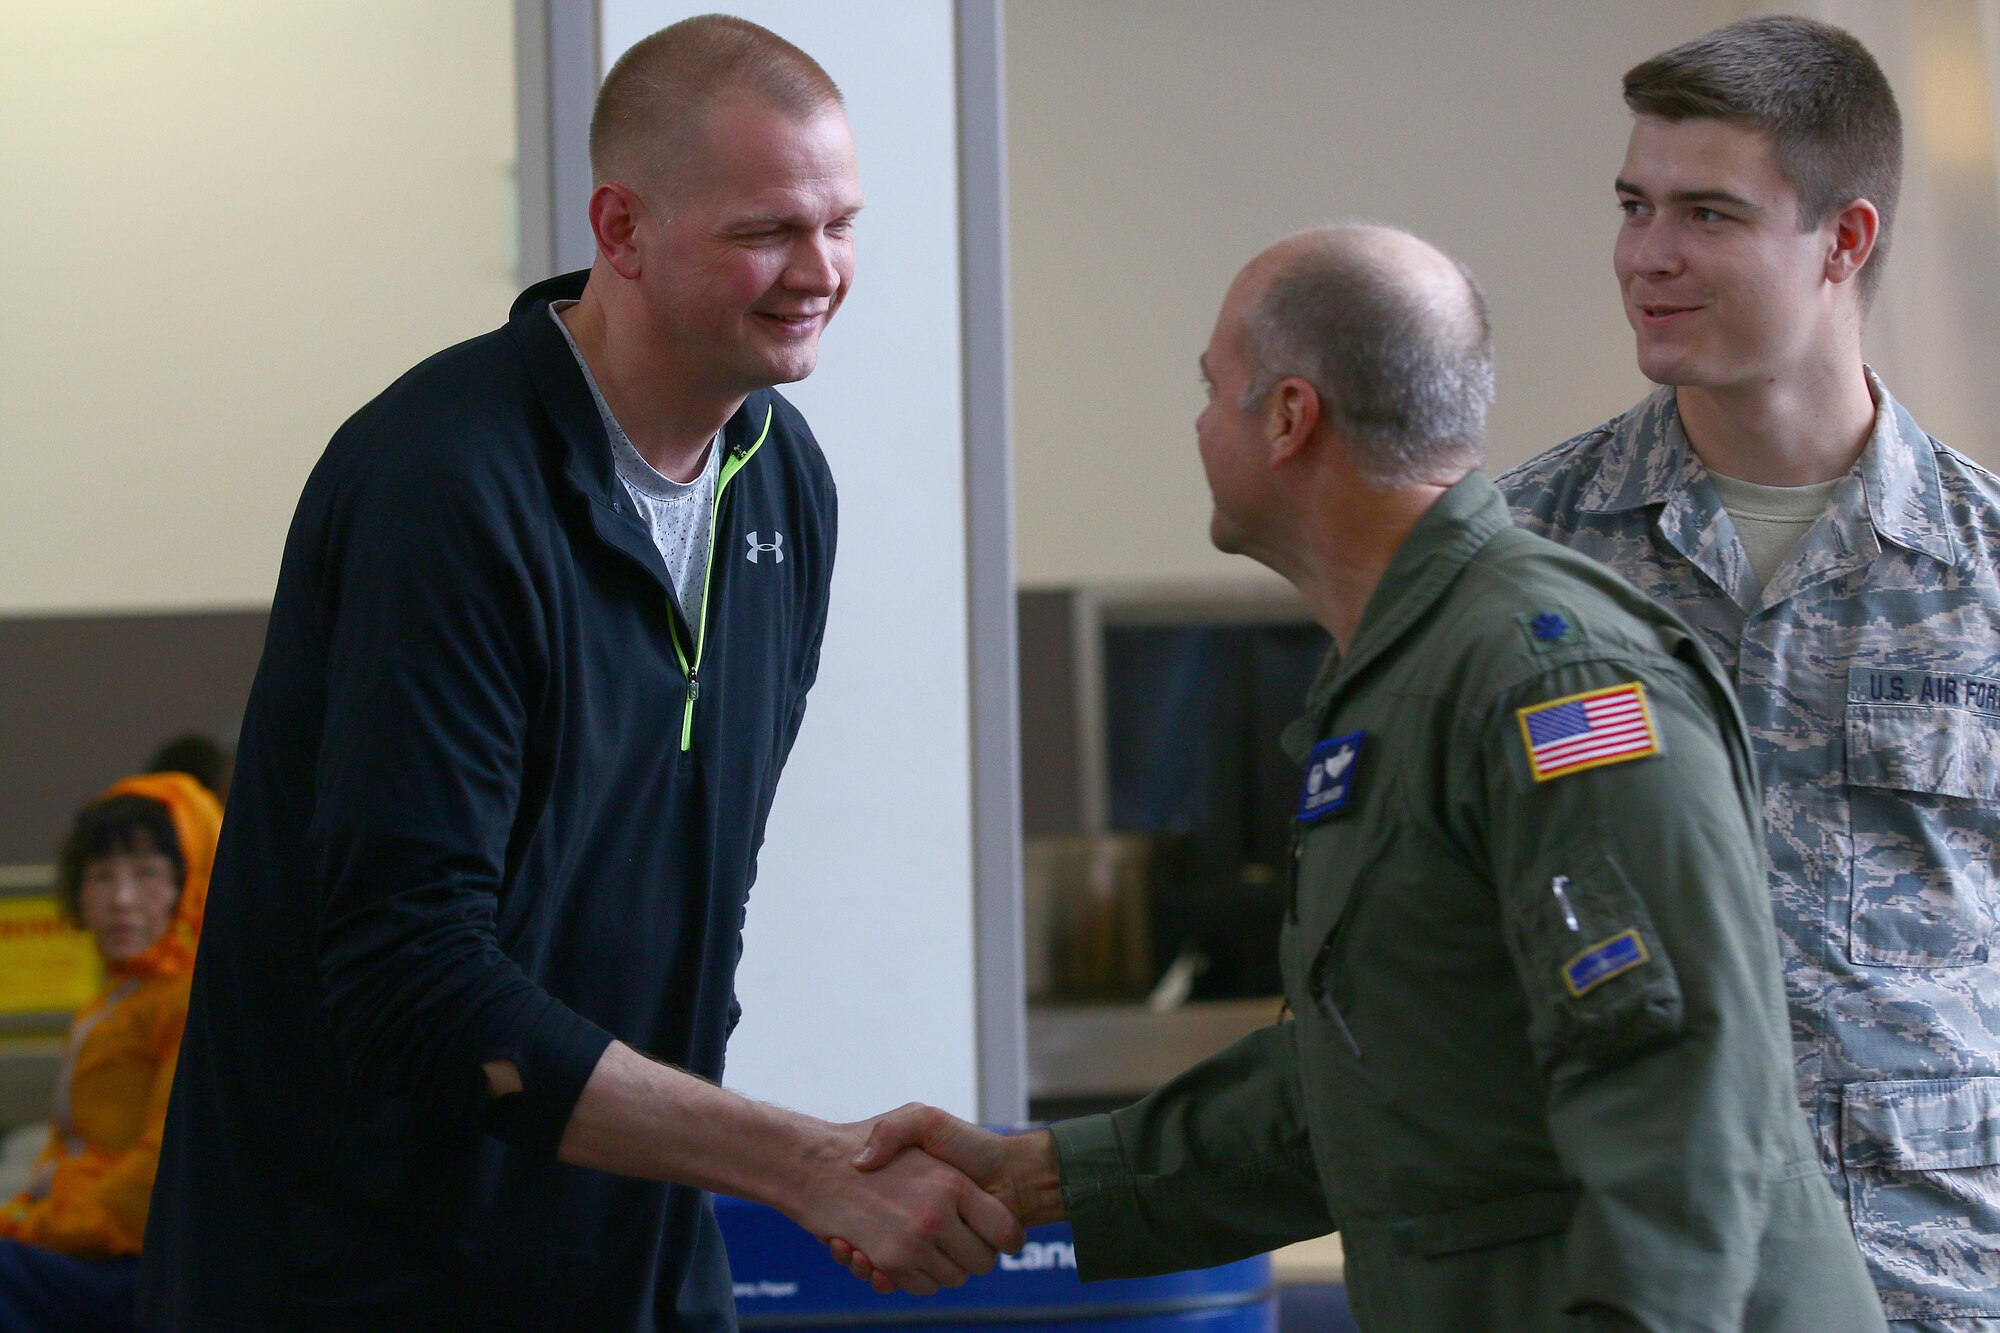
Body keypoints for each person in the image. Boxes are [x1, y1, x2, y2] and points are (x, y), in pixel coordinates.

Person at [834, 225, 1888, 1331]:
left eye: (1211, 387)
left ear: (1288, 417)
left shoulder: (1545, 674)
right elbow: (1361, 1082)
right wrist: (1033, 1178)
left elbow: (1673, 1088)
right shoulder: (1404, 674)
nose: (1195, 424)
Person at [139, 16, 1019, 1333]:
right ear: (621, 231)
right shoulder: (445, 483)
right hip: (354, 1277)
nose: (821, 271)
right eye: (770, 229)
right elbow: (416, 983)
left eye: (842, 223)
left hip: (627, 1267)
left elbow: (691, 920)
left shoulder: (781, 482)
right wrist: (804, 1166)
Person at [1498, 18, 2000, 1328]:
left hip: (1927, 1284)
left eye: (1708, 213)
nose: (1648, 255)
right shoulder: (1523, 554)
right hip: (1628, 1282)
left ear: (1845, 241)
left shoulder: (1986, 573)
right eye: (1635, 206)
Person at [0, 773, 221, 1333]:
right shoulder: (114, 998)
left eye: (147, 873)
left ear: (189, 882)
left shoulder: (188, 1001)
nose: (121, 899)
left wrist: (45, 1222)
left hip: (137, 1260)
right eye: (101, 875)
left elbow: (159, 1169)